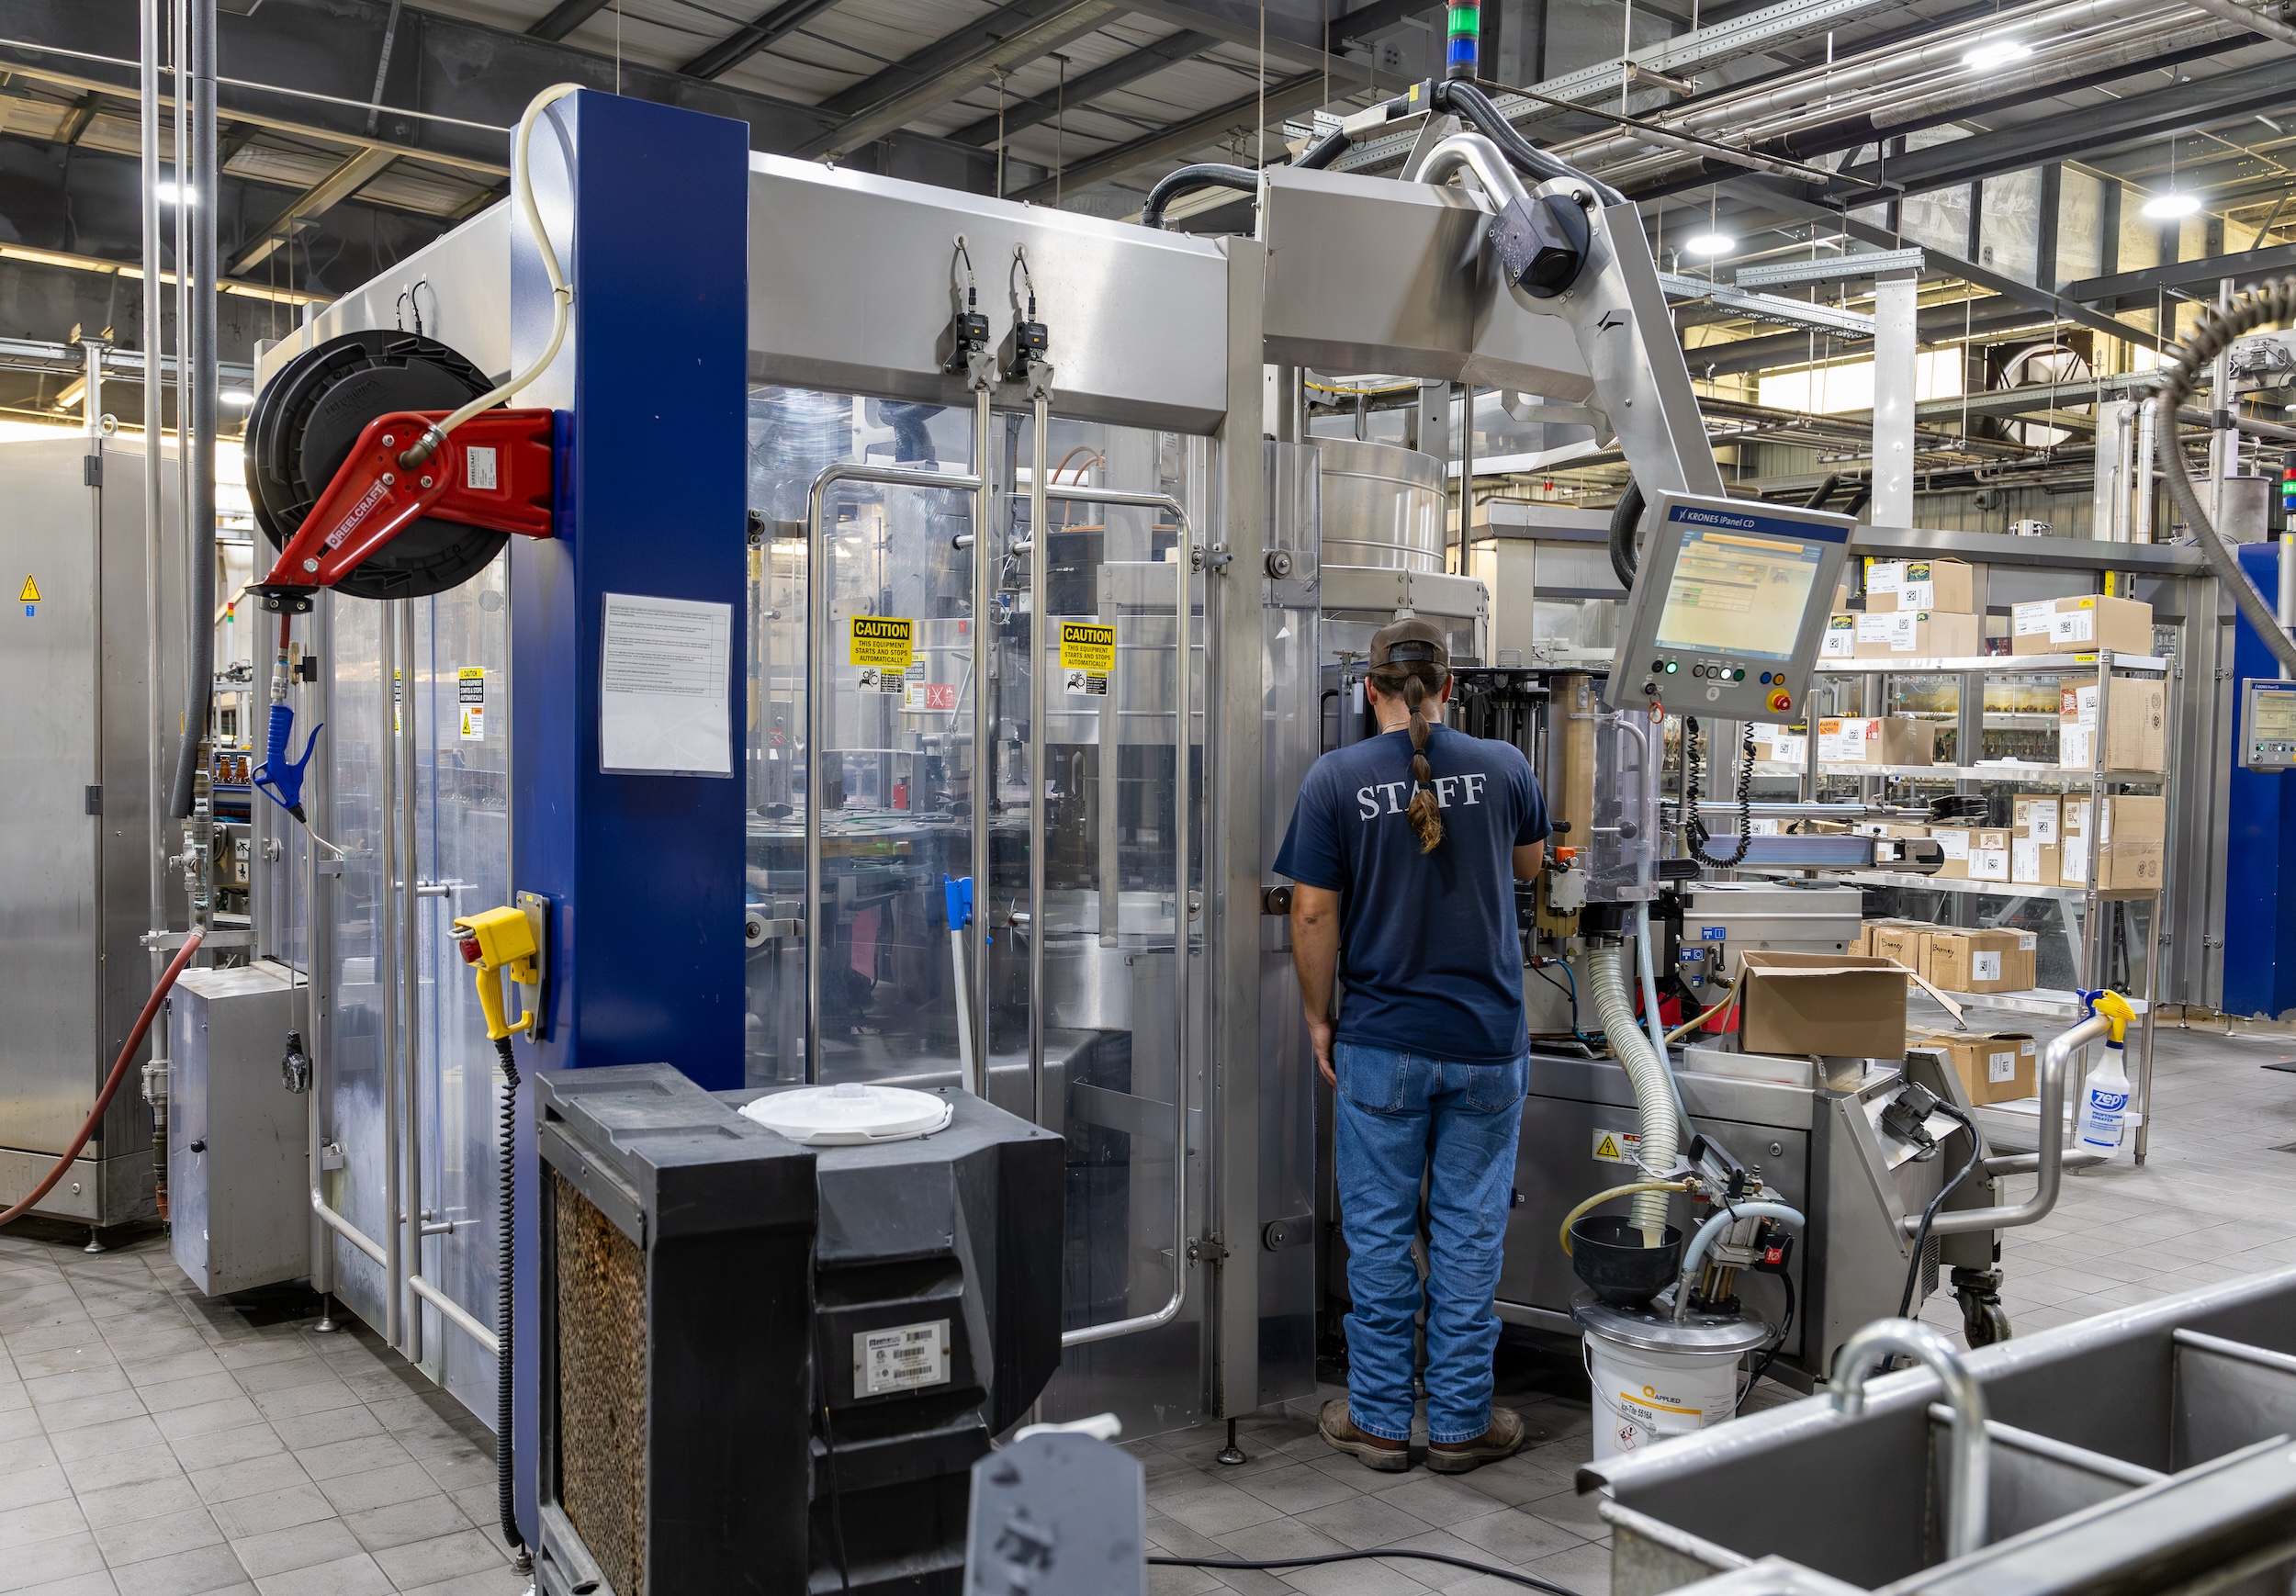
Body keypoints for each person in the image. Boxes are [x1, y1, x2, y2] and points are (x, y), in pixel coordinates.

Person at [1272, 617, 1548, 1475]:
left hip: (1382, 1042)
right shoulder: (1506, 767)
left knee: (1382, 1234)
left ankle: (1383, 1421)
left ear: (1369, 689)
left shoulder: (1335, 778)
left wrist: (1320, 1018)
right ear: (1452, 686)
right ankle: (1463, 1424)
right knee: (1469, 1238)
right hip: (1486, 1043)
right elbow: (1532, 869)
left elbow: (1312, 912)